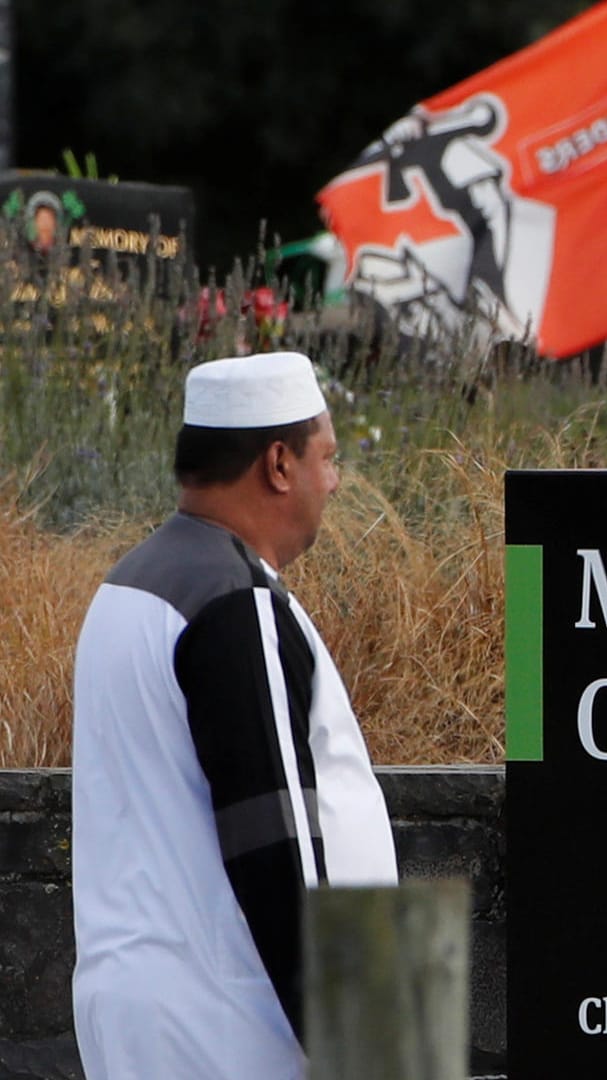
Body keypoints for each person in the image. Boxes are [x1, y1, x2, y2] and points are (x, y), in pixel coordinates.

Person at [70, 351, 397, 1079]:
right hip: (232, 1029)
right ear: (278, 464)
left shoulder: (129, 586)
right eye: (327, 457)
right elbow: (275, 838)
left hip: (145, 1016)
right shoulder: (235, 601)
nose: (335, 481)